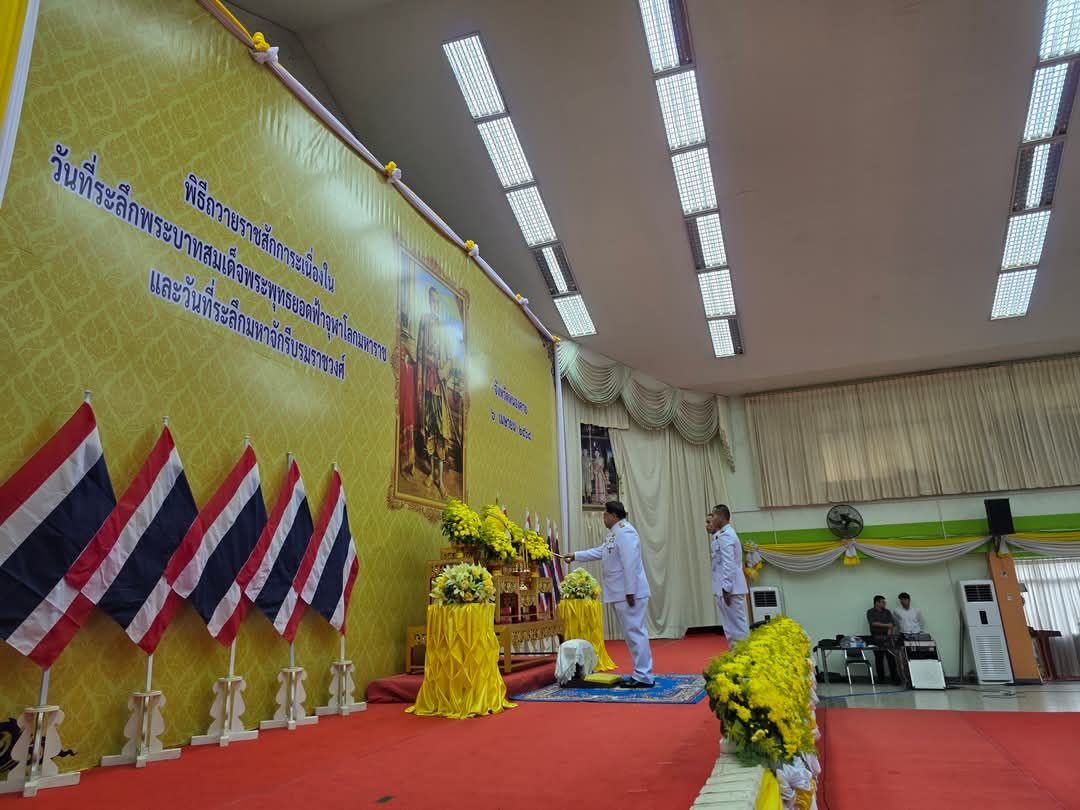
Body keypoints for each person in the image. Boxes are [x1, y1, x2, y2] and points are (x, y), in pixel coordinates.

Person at [565, 501, 654, 688]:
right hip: (621, 592)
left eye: (605, 515)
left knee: (635, 633)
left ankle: (644, 675)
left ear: (614, 515)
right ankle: (641, 673)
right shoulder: (615, 533)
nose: (603, 518)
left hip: (628, 592)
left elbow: (630, 563)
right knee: (631, 634)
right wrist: (576, 555)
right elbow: (601, 552)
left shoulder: (626, 532)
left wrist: (630, 591)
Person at [416, 287, 451, 494]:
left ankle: (441, 478)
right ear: (429, 301)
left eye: (437, 301)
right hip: (428, 381)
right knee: (429, 427)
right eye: (432, 300)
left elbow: (450, 357)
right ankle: (431, 472)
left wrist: (444, 370)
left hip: (440, 384)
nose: (434, 304)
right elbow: (420, 351)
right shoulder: (424, 321)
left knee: (441, 430)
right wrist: (420, 378)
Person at [707, 505, 749, 643]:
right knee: (730, 628)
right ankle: (736, 653)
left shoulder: (726, 535)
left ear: (721, 517)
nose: (711, 519)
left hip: (730, 589)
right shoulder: (722, 535)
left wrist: (726, 588)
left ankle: (745, 653)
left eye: (713, 516)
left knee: (737, 627)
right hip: (726, 588)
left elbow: (728, 564)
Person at [866, 595, 901, 684]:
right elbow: (873, 623)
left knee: (891, 658)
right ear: (877, 603)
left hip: (888, 637)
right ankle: (881, 679)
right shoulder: (870, 612)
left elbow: (892, 623)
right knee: (879, 658)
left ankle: (895, 678)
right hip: (876, 636)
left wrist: (890, 630)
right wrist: (887, 625)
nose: (884, 604)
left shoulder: (887, 612)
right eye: (883, 602)